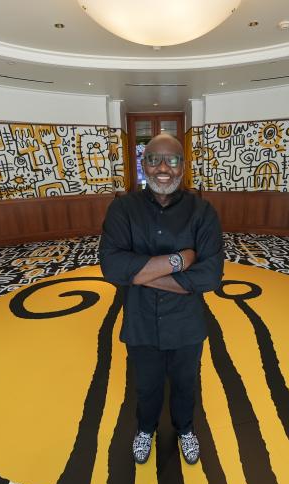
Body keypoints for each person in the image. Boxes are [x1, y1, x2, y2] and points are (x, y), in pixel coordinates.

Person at [99, 133, 224, 466]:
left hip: (187, 324)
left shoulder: (203, 212)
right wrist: (180, 261)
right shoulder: (122, 209)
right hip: (140, 321)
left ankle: (185, 429)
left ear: (183, 166)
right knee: (147, 384)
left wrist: (141, 273)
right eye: (154, 159)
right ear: (144, 164)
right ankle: (145, 429)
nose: (163, 168)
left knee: (186, 383)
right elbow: (112, 267)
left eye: (172, 160)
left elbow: (210, 276)